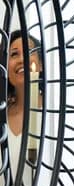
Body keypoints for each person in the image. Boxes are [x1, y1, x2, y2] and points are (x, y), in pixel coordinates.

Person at [4, 30, 42, 176]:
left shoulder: (54, 114)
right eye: (14, 54)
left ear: (41, 64)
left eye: (29, 51)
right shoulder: (2, 115)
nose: (21, 59)